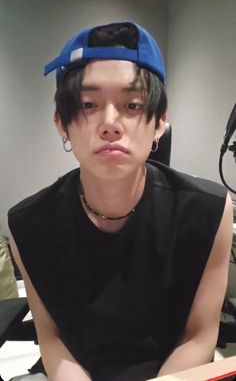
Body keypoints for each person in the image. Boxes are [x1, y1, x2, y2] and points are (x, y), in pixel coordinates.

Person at [8, 22, 233, 381]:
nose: (110, 123)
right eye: (88, 104)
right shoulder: (29, 223)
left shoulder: (207, 211)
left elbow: (199, 336)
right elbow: (51, 340)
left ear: (160, 122)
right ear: (61, 123)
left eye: (131, 104)